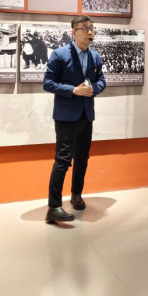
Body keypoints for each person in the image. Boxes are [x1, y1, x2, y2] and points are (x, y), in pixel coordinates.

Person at [43, 16, 107, 224]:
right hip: (66, 116)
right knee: (63, 160)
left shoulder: (95, 57)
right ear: (74, 32)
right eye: (85, 29)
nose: (90, 33)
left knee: (82, 158)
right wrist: (73, 90)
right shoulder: (60, 54)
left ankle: (76, 195)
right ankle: (54, 207)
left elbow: (101, 80)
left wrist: (93, 89)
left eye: (92, 29)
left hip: (86, 115)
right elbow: (48, 83)